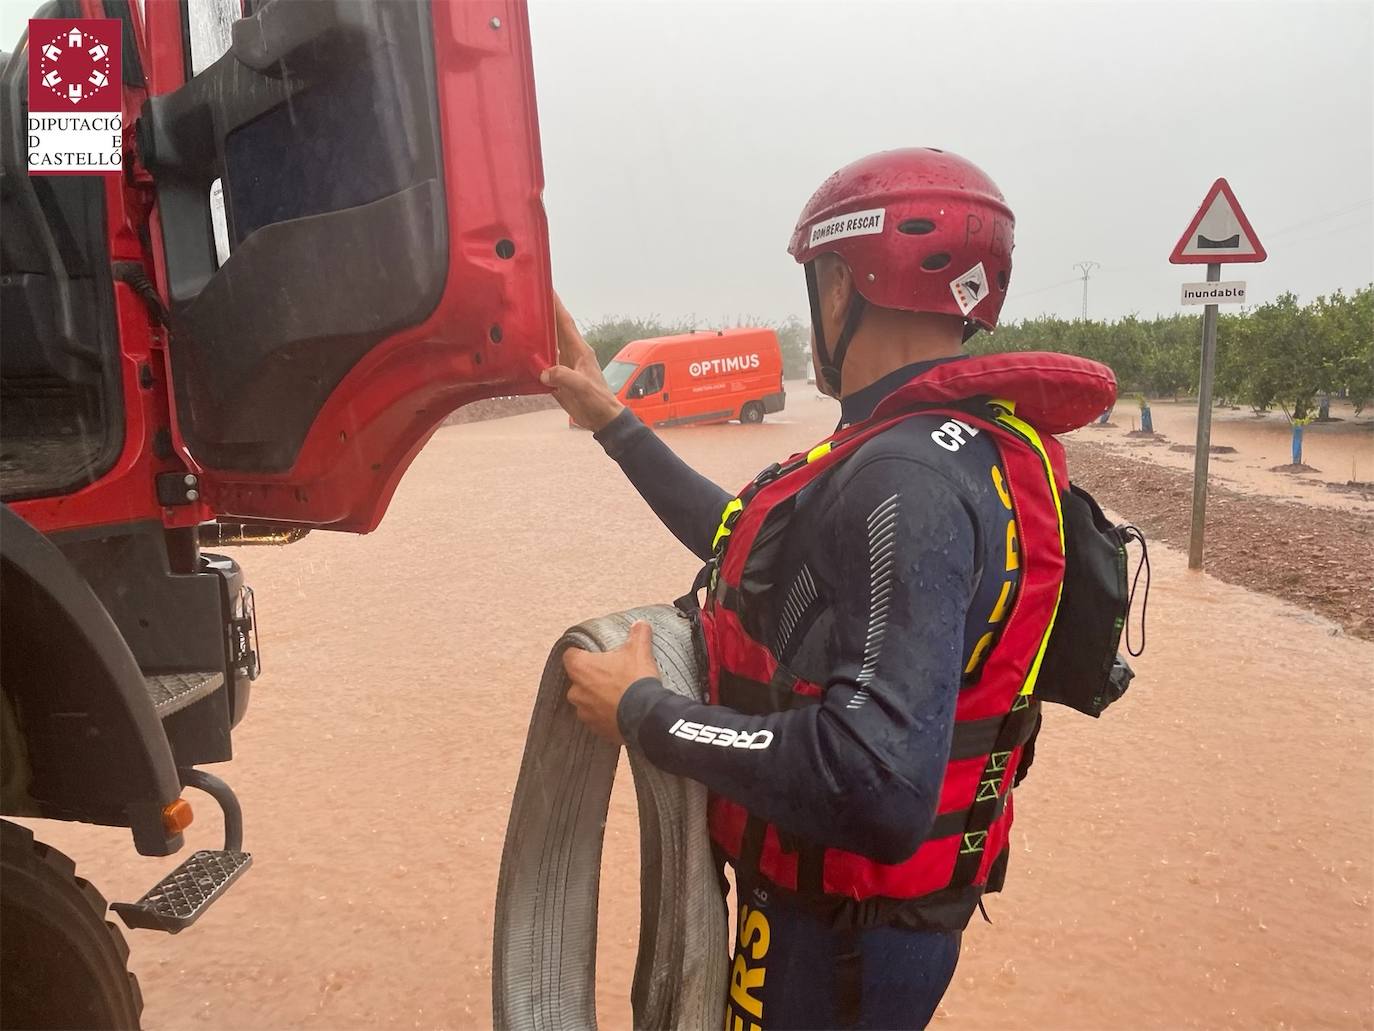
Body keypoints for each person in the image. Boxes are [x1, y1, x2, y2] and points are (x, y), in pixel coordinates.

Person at [541, 149, 1113, 1030]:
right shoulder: (940, 449)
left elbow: (877, 784)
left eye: (817, 288)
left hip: (838, 939)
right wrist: (614, 423)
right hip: (863, 929)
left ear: (841, 286)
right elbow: (759, 554)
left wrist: (646, 711)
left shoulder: (903, 480)